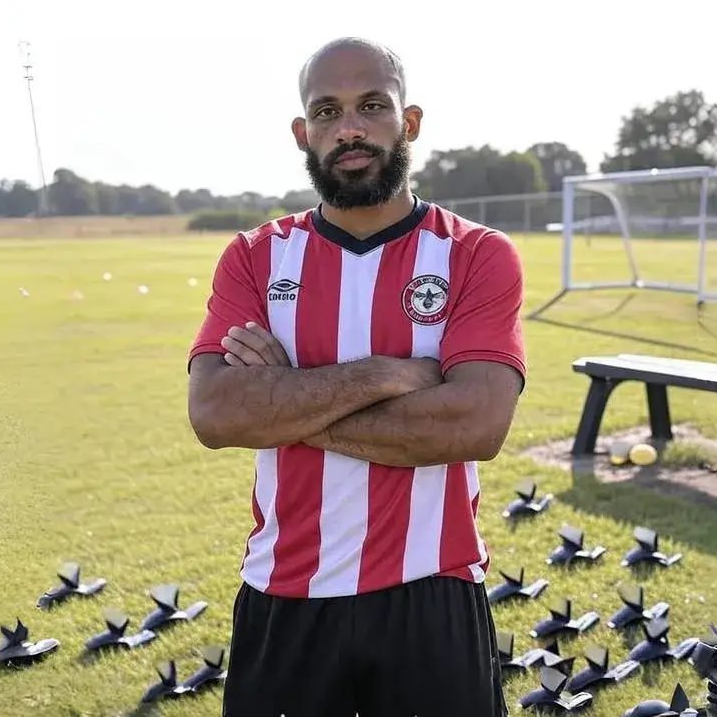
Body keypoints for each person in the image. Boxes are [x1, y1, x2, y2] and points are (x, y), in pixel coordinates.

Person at [186, 36, 526, 717]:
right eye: (327, 111)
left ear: (410, 122)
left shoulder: (477, 255)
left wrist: (287, 400)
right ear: (301, 133)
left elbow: (475, 424)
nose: (349, 128)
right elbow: (219, 414)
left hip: (432, 592)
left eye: (372, 106)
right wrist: (386, 374)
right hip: (286, 597)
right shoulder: (255, 257)